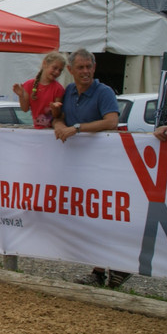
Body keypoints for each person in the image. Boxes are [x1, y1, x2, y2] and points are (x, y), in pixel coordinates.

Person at [54, 48, 126, 288]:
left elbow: (112, 121)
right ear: (70, 70)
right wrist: (58, 124)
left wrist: (76, 128)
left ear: (94, 68)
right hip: (80, 166)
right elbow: (58, 116)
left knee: (107, 216)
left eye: (89, 67)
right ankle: (102, 269)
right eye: (81, 67)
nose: (85, 71)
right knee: (90, 217)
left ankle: (113, 266)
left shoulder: (103, 92)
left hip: (104, 165)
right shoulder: (68, 91)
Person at [12, 51, 66, 129]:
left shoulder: (58, 89)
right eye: (54, 68)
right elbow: (25, 109)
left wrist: (55, 108)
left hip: (52, 131)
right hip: (37, 130)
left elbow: (57, 116)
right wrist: (21, 96)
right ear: (45, 64)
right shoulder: (29, 85)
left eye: (60, 70)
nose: (57, 72)